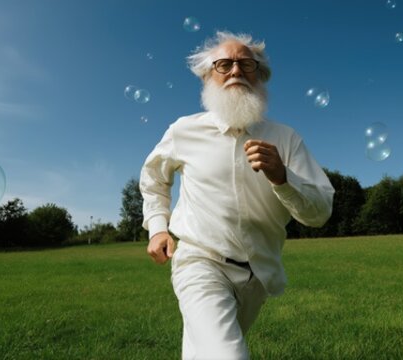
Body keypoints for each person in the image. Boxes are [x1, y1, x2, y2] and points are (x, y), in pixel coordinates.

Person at [140, 31, 335, 359]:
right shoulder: (184, 131)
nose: (235, 71)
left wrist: (282, 177)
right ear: (207, 76)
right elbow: (153, 178)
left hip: (258, 275)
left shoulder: (285, 139)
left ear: (260, 76)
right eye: (223, 64)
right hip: (200, 262)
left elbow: (320, 212)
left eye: (246, 64)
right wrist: (158, 226)